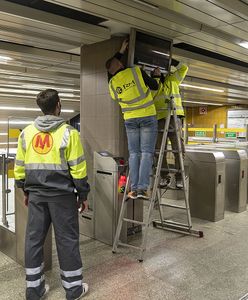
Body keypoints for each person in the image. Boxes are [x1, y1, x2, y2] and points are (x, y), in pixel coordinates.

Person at [14, 89, 90, 300]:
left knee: (34, 241)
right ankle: (74, 289)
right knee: (67, 240)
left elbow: (19, 166)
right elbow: (78, 169)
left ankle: (34, 290)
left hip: (37, 196)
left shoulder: (27, 133)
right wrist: (83, 195)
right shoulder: (69, 133)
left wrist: (25, 189)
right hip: (63, 198)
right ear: (58, 105)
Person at [106, 39, 158, 200]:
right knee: (147, 153)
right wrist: (156, 76)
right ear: (121, 65)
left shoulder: (112, 83)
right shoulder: (136, 72)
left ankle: (135, 188)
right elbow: (155, 86)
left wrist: (120, 52)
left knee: (134, 154)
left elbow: (111, 69)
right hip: (147, 116)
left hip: (130, 120)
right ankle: (142, 188)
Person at [151, 59, 188, 188]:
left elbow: (184, 68)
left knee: (178, 148)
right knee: (158, 150)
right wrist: (155, 78)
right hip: (160, 119)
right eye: (155, 70)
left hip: (174, 117)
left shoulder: (172, 80)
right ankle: (164, 176)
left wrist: (173, 61)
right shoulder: (152, 85)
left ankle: (179, 177)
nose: (157, 69)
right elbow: (153, 94)